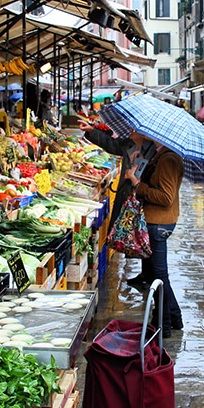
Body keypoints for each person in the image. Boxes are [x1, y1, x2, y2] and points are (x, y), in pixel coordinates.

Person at [77, 118, 155, 286]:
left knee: (146, 235)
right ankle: (145, 273)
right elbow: (111, 144)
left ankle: (149, 275)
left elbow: (153, 175)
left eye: (134, 129)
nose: (130, 131)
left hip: (144, 196)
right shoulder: (128, 144)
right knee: (136, 233)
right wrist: (91, 130)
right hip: (128, 194)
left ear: (143, 134)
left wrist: (135, 175)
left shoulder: (154, 151)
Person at [126, 131, 184, 333]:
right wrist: (142, 163)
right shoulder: (162, 154)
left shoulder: (168, 159)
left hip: (158, 223)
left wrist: (137, 185)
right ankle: (174, 318)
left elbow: (165, 197)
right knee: (156, 274)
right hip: (155, 221)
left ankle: (163, 325)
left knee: (159, 276)